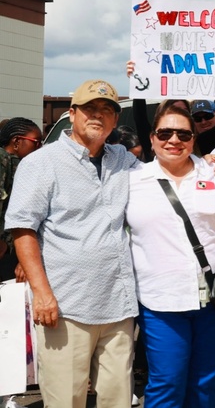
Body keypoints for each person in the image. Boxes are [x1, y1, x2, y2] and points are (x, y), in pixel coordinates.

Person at [6, 80, 140, 407]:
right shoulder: (41, 163)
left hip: (118, 305)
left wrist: (206, 164)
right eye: (90, 109)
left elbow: (166, 177)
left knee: (118, 400)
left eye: (107, 110)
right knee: (66, 400)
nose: (98, 116)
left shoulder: (123, 160)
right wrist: (42, 294)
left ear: (115, 120)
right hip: (65, 306)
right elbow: (23, 229)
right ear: (72, 113)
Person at [128, 103, 215, 407]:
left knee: (204, 384)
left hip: (214, 301)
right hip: (160, 302)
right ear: (152, 138)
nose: (174, 140)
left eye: (183, 134)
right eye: (165, 133)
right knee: (167, 384)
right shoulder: (132, 180)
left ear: (193, 138)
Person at [0, 117, 42, 280]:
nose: (39, 147)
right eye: (36, 142)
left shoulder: (22, 165)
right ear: (16, 142)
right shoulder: (3, 159)